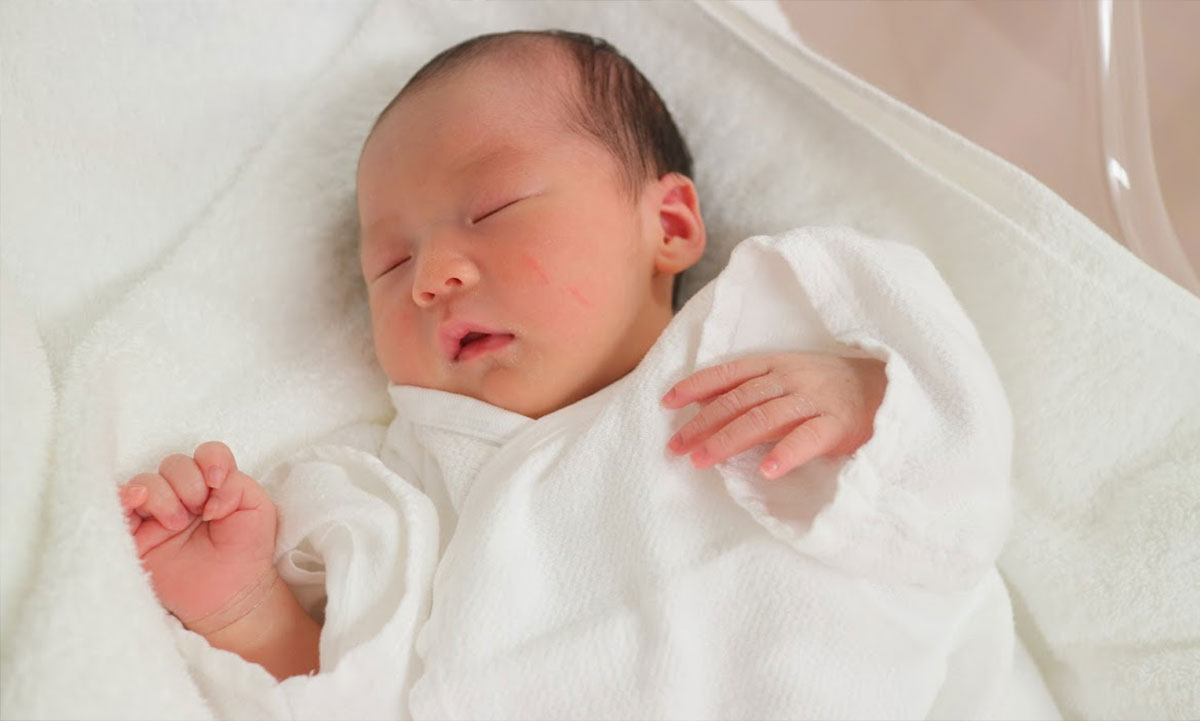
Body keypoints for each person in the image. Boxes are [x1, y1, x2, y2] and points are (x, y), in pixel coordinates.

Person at [117, 30, 1009, 717]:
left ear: (669, 226)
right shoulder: (406, 485)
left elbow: (957, 464)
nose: (431, 277)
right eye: (389, 264)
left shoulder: (762, 335)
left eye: (493, 208)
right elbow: (362, 697)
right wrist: (247, 611)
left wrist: (868, 402)